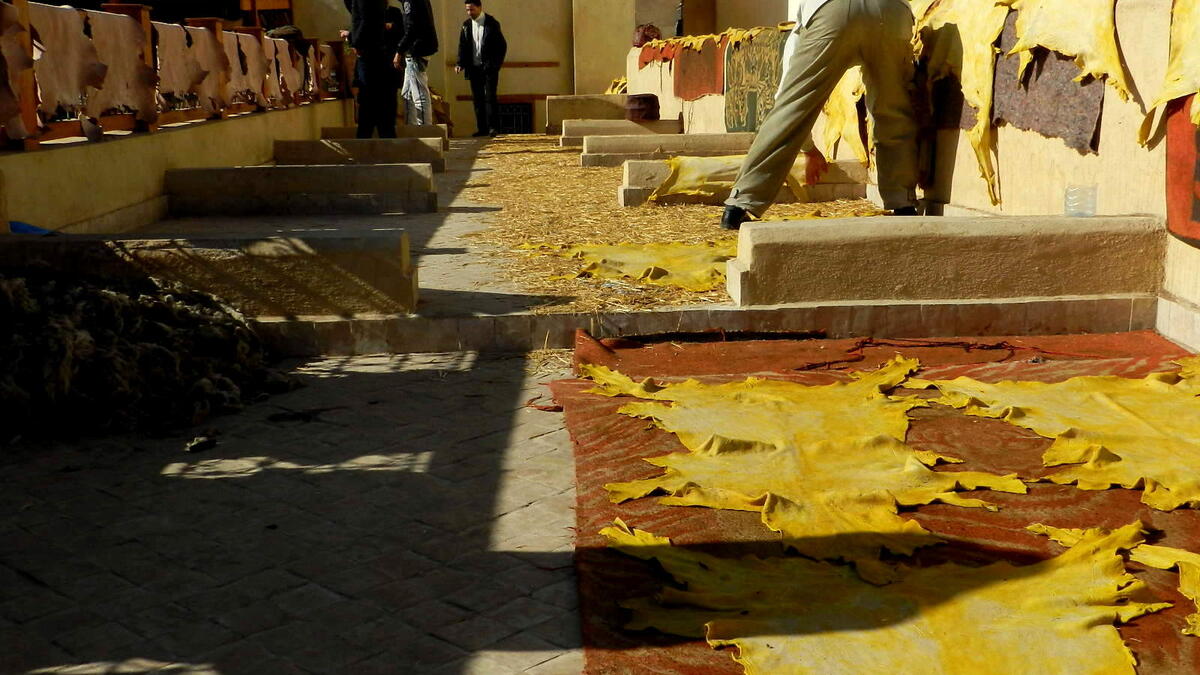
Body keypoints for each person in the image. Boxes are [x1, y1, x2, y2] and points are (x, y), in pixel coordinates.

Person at [721, 0, 920, 229]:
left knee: (793, 106)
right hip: (891, 8)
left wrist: (808, 149)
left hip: (829, 8)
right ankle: (903, 203)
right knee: (893, 108)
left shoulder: (800, 28)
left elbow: (789, 100)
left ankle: (740, 204)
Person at [343, 0, 397, 138]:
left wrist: (357, 43)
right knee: (379, 98)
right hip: (376, 51)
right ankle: (382, 135)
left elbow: (367, 20)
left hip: (369, 52)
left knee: (369, 98)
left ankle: (367, 136)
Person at [456, 1, 508, 137]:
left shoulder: (491, 23)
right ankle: (482, 128)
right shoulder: (466, 25)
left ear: (479, 7)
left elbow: (501, 46)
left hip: (489, 67)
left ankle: (493, 127)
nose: (469, 13)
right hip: (474, 68)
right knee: (477, 98)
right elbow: (463, 46)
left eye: (472, 10)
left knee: (490, 97)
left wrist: (495, 64)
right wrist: (460, 63)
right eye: (467, 10)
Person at [397, 0, 439, 126]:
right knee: (407, 94)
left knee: (419, 95)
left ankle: (425, 131)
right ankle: (412, 128)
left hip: (417, 50)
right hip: (419, 49)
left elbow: (412, 27)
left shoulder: (410, 2)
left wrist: (400, 50)